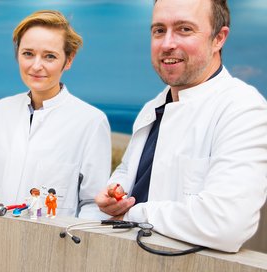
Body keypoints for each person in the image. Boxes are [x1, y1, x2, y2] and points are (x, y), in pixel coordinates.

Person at [95, 0, 267, 252]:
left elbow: (227, 224)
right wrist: (113, 196)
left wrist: (133, 213)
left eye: (184, 29)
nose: (167, 44)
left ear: (219, 38)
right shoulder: (151, 108)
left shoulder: (244, 109)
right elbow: (127, 175)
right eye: (159, 30)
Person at [0, 10, 111, 219]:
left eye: (49, 56)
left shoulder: (91, 122)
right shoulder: (1, 110)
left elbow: (93, 205)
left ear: (68, 60)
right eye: (28, 53)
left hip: (52, 246)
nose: (36, 66)